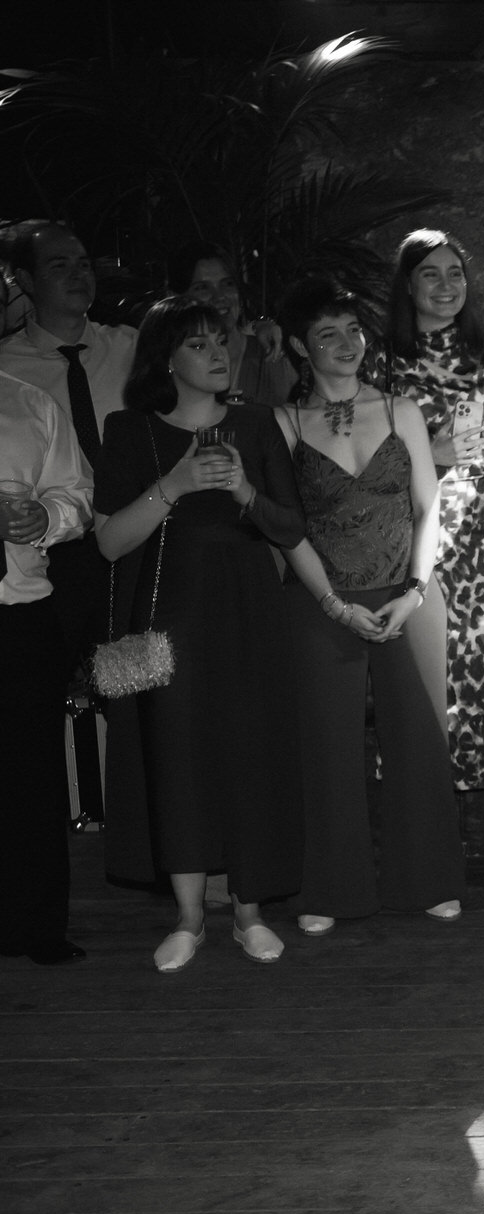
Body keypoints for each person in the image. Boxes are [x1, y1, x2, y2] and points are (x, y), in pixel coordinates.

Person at [94, 298, 307, 970]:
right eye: (199, 344)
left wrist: (243, 491)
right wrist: (176, 483)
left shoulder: (256, 423)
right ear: (165, 359)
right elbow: (108, 542)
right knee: (176, 756)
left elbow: (290, 526)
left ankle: (249, 914)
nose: (219, 354)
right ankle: (189, 918)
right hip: (168, 619)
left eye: (223, 340)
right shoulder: (130, 430)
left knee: (250, 752)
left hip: (248, 612)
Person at [273, 278, 463, 936]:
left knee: (421, 743)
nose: (346, 343)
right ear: (300, 347)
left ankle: (428, 881)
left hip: (410, 595)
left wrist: (415, 590)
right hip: (322, 602)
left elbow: (428, 506)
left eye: (353, 330)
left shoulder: (400, 409)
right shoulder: (283, 423)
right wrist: (331, 604)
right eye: (327, 334)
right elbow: (285, 528)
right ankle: (330, 889)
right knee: (327, 749)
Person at [380, 229, 484, 887]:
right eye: (431, 274)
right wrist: (430, 454)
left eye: (456, 274)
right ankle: (437, 842)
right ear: (407, 284)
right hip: (410, 540)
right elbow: (363, 462)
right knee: (427, 693)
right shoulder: (381, 363)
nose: (446, 286)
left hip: (483, 540)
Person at [0, 221, 138, 828]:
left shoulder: (133, 349)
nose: (79, 275)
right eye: (59, 265)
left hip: (133, 541)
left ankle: (145, 834)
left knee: (137, 689)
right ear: (24, 281)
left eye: (83, 262)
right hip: (50, 561)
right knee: (41, 701)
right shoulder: (9, 371)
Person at [0, 369, 91, 966]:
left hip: (21, 613)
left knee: (32, 773)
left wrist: (48, 519)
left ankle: (36, 926)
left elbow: (76, 492)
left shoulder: (30, 402)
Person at [167, 241, 296, 407]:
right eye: (202, 288)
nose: (220, 296)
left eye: (227, 284)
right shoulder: (170, 366)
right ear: (175, 298)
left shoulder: (272, 354)